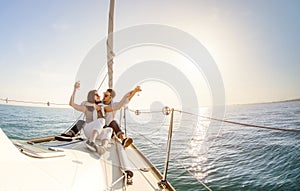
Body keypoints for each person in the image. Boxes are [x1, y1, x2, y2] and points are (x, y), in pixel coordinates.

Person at [69, 81, 112, 154]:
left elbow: (114, 105)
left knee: (109, 129)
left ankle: (103, 148)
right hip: (88, 131)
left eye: (99, 95)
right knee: (101, 120)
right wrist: (74, 89)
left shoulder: (102, 106)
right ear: (91, 97)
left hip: (97, 132)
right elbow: (71, 104)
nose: (99, 96)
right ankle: (91, 141)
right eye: (96, 95)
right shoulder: (86, 107)